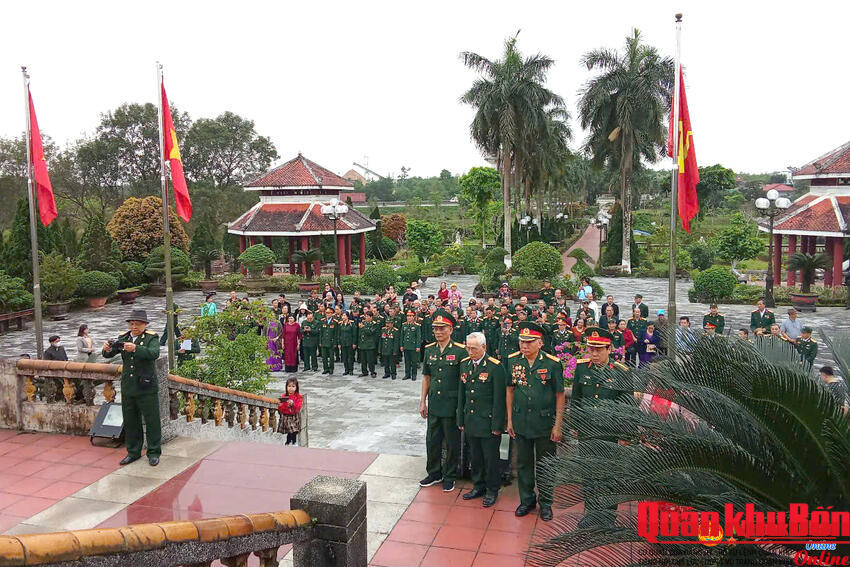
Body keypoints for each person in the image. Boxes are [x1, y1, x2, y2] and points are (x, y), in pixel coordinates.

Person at [570, 327, 633, 528]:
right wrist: (575, 425)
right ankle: (592, 511)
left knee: (608, 473)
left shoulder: (621, 372)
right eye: (591, 349)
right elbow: (577, 400)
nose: (594, 354)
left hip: (609, 432)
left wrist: (626, 434)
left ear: (609, 349)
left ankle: (607, 515)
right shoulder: (582, 368)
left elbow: (627, 404)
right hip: (587, 431)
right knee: (588, 472)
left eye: (599, 350)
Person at [506, 321, 565, 522]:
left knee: (546, 464)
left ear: (540, 343)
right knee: (523, 463)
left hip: (544, 423)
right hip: (521, 421)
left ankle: (546, 503)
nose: (524, 346)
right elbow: (510, 390)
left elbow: (559, 395)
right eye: (522, 341)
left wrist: (558, 424)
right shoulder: (513, 361)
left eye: (529, 342)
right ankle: (526, 500)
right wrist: (509, 420)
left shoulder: (552, 363)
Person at [101, 309, 161, 467]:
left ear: (145, 325)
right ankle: (133, 451)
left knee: (152, 420)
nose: (134, 327)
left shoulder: (151, 337)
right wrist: (106, 348)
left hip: (146, 385)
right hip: (129, 386)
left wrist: (135, 348)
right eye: (132, 323)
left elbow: (153, 353)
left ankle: (154, 452)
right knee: (131, 420)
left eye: (138, 324)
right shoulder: (123, 337)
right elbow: (108, 355)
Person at [458, 332, 507, 508]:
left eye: (473, 348)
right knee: (475, 457)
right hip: (471, 419)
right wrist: (461, 419)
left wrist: (497, 425)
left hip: (488, 422)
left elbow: (499, 399)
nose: (470, 351)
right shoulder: (465, 364)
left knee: (490, 458)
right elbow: (461, 394)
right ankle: (478, 485)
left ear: (484, 347)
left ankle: (492, 489)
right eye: (468, 348)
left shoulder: (495, 367)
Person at [419, 310, 466, 492]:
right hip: (435, 404)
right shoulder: (430, 349)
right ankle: (434, 472)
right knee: (432, 440)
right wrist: (423, 401)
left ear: (450, 329)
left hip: (451, 405)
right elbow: (426, 377)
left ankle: (450, 475)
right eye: (435, 328)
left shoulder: (460, 351)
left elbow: (463, 382)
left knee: (452, 442)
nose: (438, 332)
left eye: (442, 328)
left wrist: (460, 407)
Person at [278, 377, 303, 445]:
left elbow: (298, 407)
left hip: (294, 416)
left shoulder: (298, 397)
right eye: (289, 386)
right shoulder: (283, 396)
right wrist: (280, 405)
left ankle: (294, 442)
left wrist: (292, 404)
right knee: (289, 431)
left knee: (293, 430)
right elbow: (281, 409)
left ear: (296, 387)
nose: (291, 388)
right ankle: (288, 442)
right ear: (286, 387)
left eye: (293, 386)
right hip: (285, 416)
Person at [401, 310, 422, 381]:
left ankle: (414, 374)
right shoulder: (404, 325)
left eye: (410, 316)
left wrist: (418, 346)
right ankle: (407, 374)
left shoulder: (417, 326)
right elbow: (402, 336)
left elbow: (418, 337)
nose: (409, 317)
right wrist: (401, 345)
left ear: (414, 317)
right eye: (408, 316)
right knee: (407, 361)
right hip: (406, 345)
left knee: (414, 361)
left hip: (413, 346)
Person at [358, 311, 380, 377]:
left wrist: (363, 327)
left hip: (370, 344)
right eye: (366, 316)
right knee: (363, 360)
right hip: (362, 343)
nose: (366, 317)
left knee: (370, 360)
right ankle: (364, 371)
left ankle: (372, 372)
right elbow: (360, 334)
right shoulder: (363, 323)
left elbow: (370, 332)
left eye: (368, 316)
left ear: (371, 317)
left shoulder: (374, 324)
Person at [319, 307, 338, 375]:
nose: (328, 314)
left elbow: (336, 334)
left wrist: (335, 342)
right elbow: (321, 333)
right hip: (324, 341)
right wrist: (320, 342)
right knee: (324, 357)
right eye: (326, 313)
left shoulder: (335, 322)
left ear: (332, 314)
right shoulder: (323, 321)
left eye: (329, 313)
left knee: (331, 357)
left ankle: (331, 368)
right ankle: (325, 368)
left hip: (331, 341)